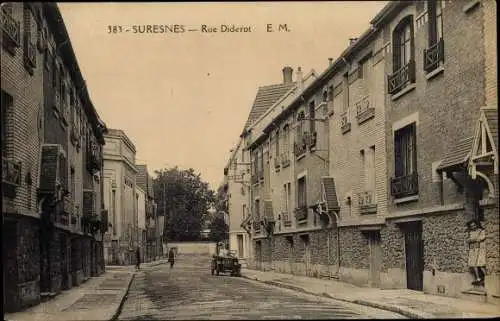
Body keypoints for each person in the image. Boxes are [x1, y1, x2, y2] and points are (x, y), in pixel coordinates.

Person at [467, 220, 486, 286]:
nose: (473, 227)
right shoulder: (470, 232)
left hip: (479, 249)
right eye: (471, 226)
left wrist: (473, 240)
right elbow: (468, 240)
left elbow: (480, 239)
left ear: (476, 225)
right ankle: (478, 278)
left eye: (474, 225)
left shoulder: (481, 231)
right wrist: (473, 240)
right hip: (472, 249)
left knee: (480, 264)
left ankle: (486, 277)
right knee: (473, 264)